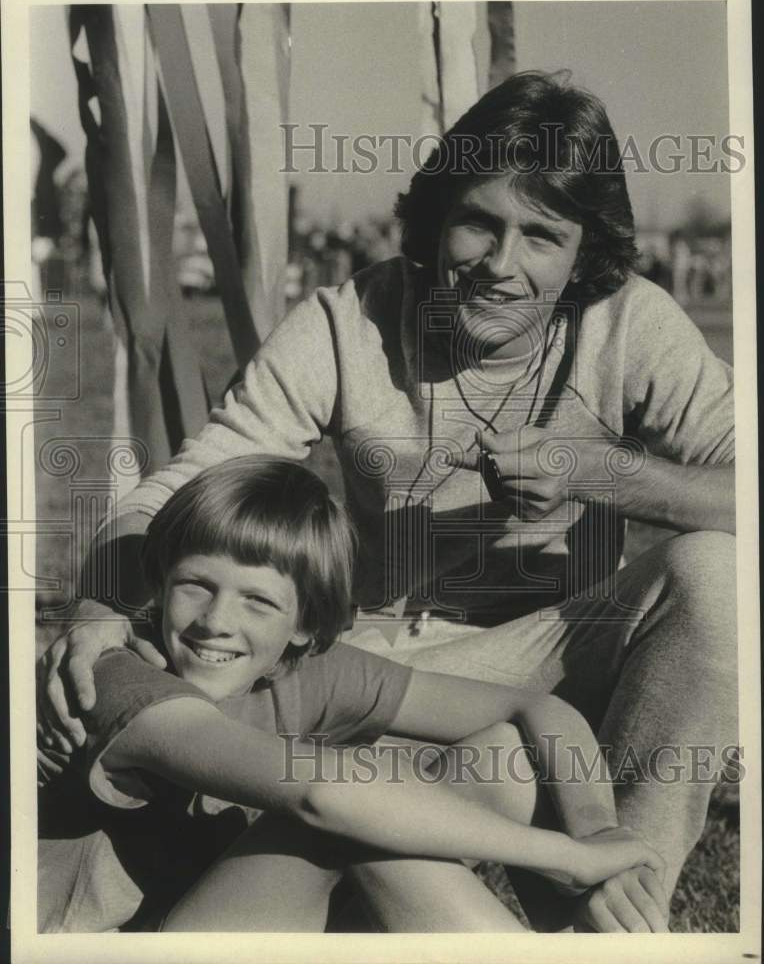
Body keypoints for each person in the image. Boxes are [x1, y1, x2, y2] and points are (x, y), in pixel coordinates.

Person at [39, 70, 737, 932]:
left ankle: (629, 909)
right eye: (479, 222)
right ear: (440, 216)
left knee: (721, 573)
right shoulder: (351, 317)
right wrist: (99, 607)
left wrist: (604, 472)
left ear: (584, 252)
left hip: (556, 661)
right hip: (385, 670)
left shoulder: (635, 323)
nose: (501, 266)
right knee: (200, 676)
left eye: (541, 236)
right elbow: (195, 476)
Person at [38, 456, 667, 933]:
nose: (217, 621)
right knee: (350, 817)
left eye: (258, 600)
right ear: (158, 583)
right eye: (196, 585)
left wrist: (596, 834)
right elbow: (322, 796)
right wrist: (563, 858)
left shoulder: (304, 668)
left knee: (502, 753)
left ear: (306, 623)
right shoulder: (114, 674)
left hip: (241, 916)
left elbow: (538, 708)